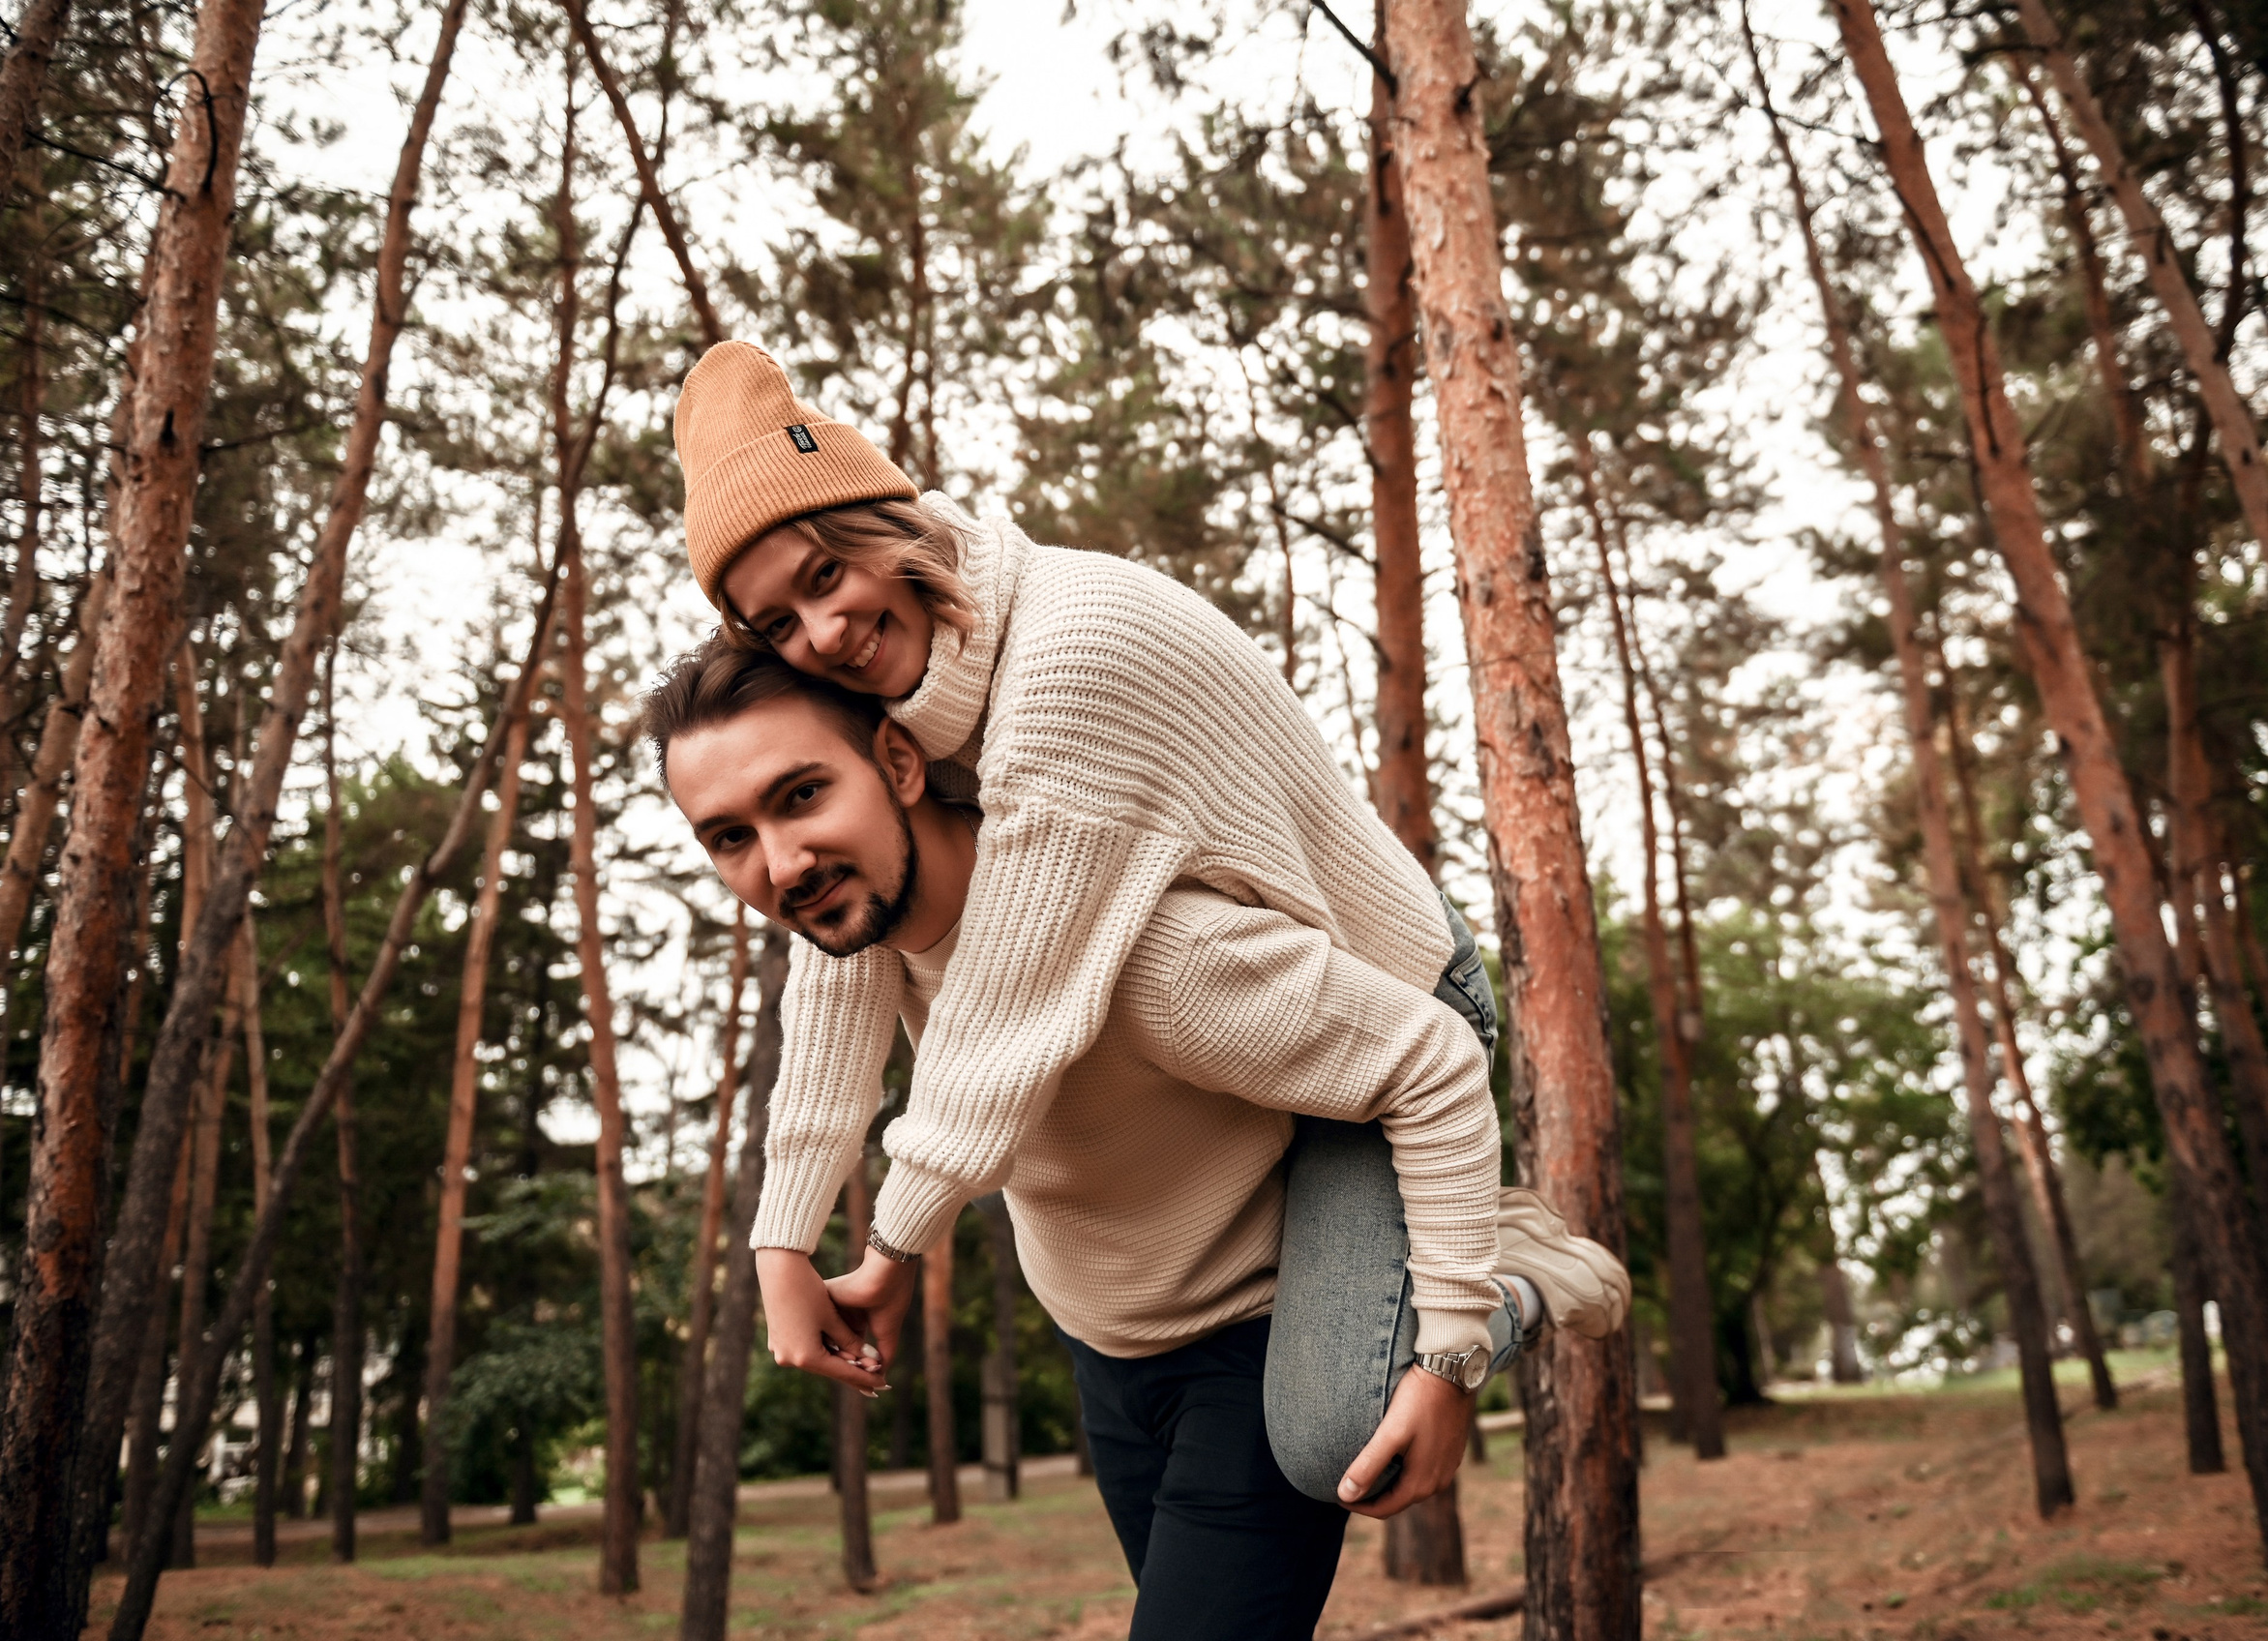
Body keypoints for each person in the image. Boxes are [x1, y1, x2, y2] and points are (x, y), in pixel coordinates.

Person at [643, 640, 1626, 1637]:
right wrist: (786, 1248)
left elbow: (1433, 1060)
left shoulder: (1156, 956)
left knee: (1322, 1441)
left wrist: (1452, 1347)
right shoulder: (859, 928)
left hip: (1256, 1337)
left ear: (900, 763)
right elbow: (818, 1082)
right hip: (1102, 1350)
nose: (779, 865)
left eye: (801, 794)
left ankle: (1519, 1269)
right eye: (728, 837)